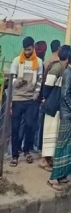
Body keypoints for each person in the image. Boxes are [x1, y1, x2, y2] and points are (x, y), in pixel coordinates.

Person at [47, 49, 71, 191]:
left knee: (69, 146)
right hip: (68, 116)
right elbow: (65, 95)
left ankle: (62, 176)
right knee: (63, 145)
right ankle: (53, 178)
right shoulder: (68, 74)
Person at [9, 36, 41, 166]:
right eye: (25, 50)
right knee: (15, 128)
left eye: (29, 49)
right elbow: (12, 80)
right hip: (17, 98)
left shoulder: (38, 62)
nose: (27, 52)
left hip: (31, 99)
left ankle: (26, 151)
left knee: (29, 126)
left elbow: (39, 81)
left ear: (33, 48)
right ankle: (15, 155)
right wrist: (18, 82)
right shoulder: (17, 61)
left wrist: (36, 94)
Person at [39, 43, 67, 172]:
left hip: (55, 107)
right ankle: (44, 160)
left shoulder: (63, 68)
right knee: (48, 133)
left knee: (52, 134)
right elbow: (47, 85)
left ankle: (49, 158)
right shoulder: (57, 68)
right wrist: (49, 99)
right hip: (51, 106)